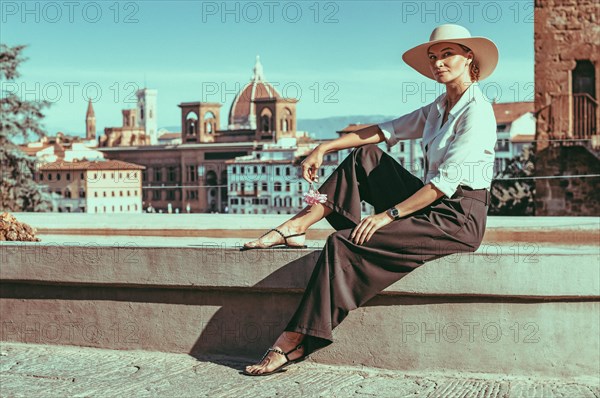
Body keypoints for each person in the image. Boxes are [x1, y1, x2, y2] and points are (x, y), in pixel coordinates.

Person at [241, 24, 499, 376]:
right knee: (365, 157)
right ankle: (296, 225)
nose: (438, 63)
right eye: (433, 57)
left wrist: (387, 215)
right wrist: (324, 147)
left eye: (447, 55)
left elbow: (443, 185)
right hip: (432, 203)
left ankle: (295, 339)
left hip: (457, 218)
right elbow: (384, 130)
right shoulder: (439, 107)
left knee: (341, 243)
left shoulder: (477, 111)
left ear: (468, 57)